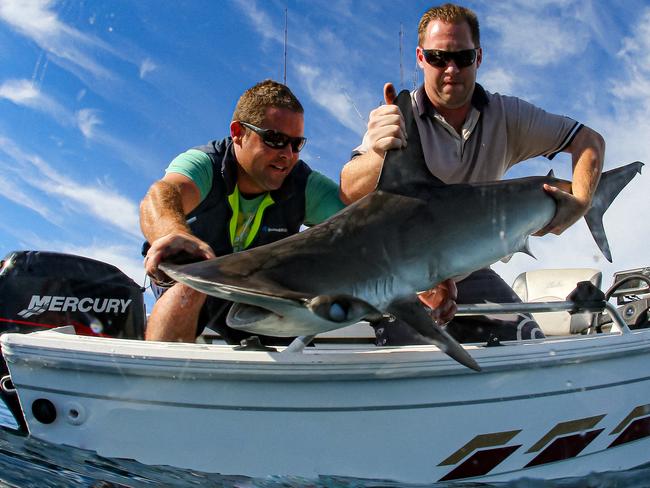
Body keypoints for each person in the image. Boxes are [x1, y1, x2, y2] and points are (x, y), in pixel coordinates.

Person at [340, 3, 605, 344]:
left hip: (470, 268)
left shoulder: (507, 116)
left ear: (478, 58)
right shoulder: (396, 116)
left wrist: (582, 200)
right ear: (420, 58)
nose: (450, 69)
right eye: (438, 58)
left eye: (462, 58)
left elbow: (588, 140)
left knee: (531, 342)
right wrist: (379, 152)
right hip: (402, 274)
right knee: (411, 364)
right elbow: (349, 190)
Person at [140, 79, 456, 345]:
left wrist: (420, 276)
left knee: (302, 297)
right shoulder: (205, 163)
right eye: (275, 140)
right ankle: (157, 390)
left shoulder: (303, 184)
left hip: (255, 290)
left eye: (296, 144)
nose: (287, 155)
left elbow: (366, 233)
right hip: (196, 277)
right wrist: (173, 233)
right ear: (238, 132)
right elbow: (162, 194)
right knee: (191, 283)